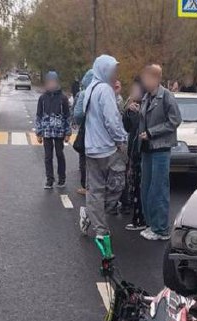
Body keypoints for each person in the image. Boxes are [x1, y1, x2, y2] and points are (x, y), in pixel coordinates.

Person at [78, 55, 129, 239]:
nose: (115, 73)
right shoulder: (104, 90)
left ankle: (95, 221)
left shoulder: (90, 88)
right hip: (107, 148)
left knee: (97, 190)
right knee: (117, 185)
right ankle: (99, 227)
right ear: (104, 70)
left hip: (92, 149)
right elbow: (112, 121)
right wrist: (122, 140)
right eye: (113, 70)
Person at [137, 64, 182, 241]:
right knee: (146, 187)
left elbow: (175, 120)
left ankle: (161, 228)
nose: (144, 82)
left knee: (159, 188)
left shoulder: (166, 97)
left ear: (156, 78)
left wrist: (152, 132)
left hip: (161, 148)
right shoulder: (147, 97)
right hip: (147, 148)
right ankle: (151, 224)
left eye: (146, 78)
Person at [35, 71, 72, 189]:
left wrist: (67, 132)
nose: (51, 84)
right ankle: (49, 180)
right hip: (46, 132)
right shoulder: (42, 98)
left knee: (60, 154)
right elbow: (39, 116)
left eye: (53, 82)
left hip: (59, 132)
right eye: (49, 82)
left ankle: (62, 179)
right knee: (48, 156)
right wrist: (39, 133)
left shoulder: (63, 98)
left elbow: (67, 116)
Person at [121, 77, 147, 230]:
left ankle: (141, 219)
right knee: (134, 183)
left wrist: (137, 114)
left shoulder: (147, 105)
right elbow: (127, 127)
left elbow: (143, 126)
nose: (132, 92)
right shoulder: (132, 106)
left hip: (143, 151)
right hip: (133, 149)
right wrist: (128, 112)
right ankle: (137, 217)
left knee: (141, 185)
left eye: (135, 89)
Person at [73, 69, 95, 195]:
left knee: (84, 157)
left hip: (87, 131)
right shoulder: (105, 91)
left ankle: (85, 186)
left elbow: (77, 115)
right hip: (101, 136)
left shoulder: (84, 94)